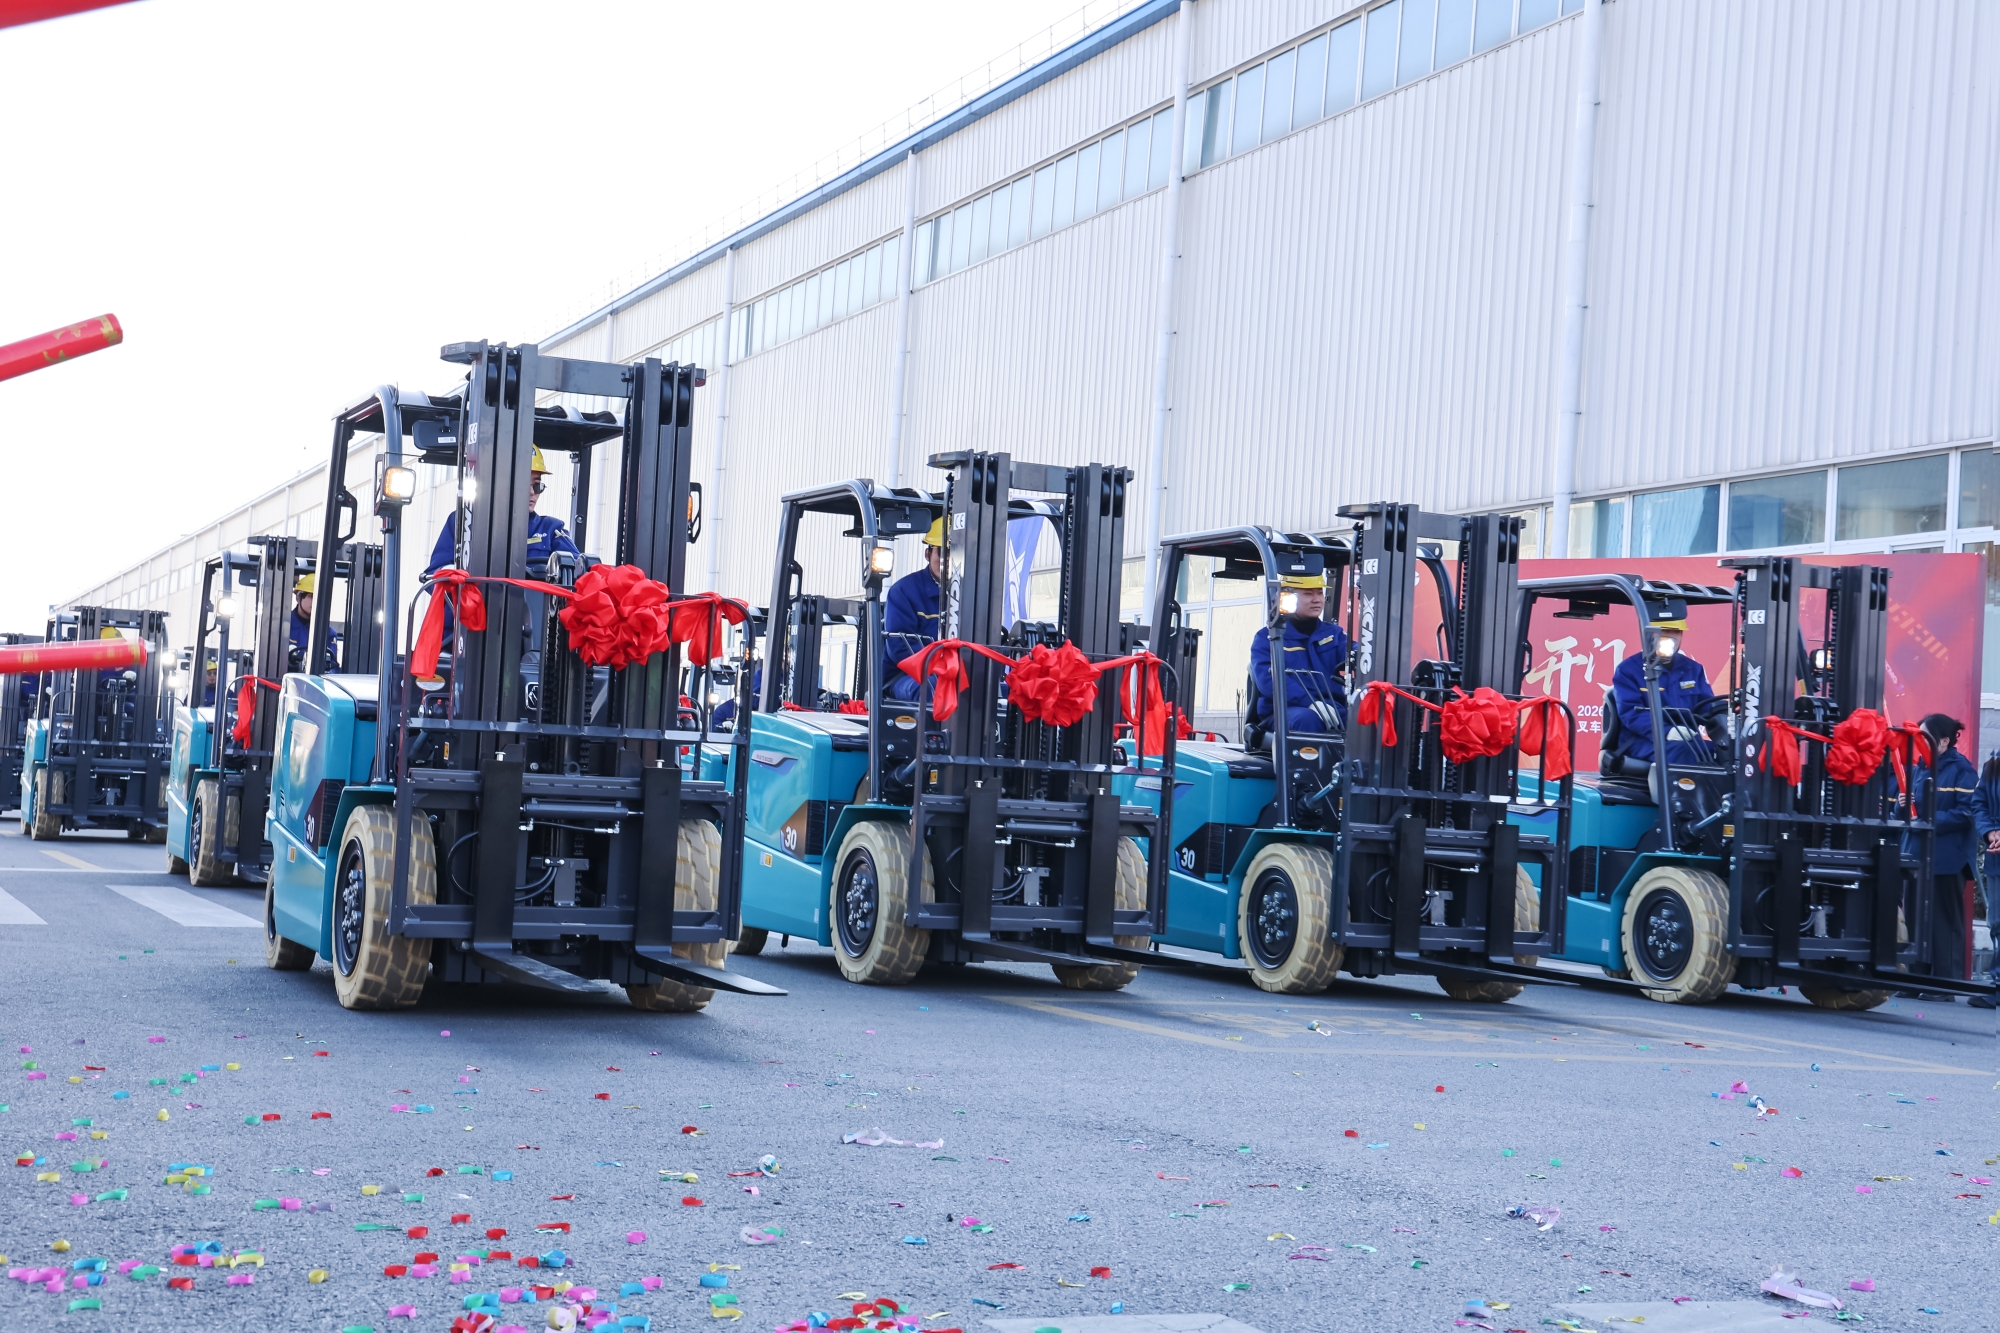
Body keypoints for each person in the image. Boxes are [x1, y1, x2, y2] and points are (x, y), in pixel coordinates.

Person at [1903, 713, 1975, 997]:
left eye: (1925, 736)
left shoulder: (1962, 770)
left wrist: (1928, 819)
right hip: (1916, 854)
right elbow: (1908, 812)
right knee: (1915, 919)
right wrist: (1902, 806)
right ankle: (1916, 979)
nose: (1919, 741)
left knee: (1944, 922)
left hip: (1947, 858)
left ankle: (1945, 984)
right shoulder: (1919, 768)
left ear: (1944, 741)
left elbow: (1967, 813)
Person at [427, 445, 579, 576]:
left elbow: (580, 571)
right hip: (477, 601)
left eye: (537, 485)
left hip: (533, 602)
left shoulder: (551, 530)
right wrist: (454, 579)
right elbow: (434, 575)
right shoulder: (464, 522)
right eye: (523, 484)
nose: (532, 492)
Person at [1610, 615, 1721, 765]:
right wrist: (1666, 731)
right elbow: (1631, 713)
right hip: (1644, 740)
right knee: (1684, 753)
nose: (1670, 636)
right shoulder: (1629, 670)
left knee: (1721, 753)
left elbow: (1707, 707)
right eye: (1663, 631)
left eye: (1675, 631)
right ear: (1649, 634)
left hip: (1687, 739)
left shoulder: (1693, 669)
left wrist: (1724, 721)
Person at [1249, 572, 1349, 736]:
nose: (1317, 599)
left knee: (1366, 717)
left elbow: (1354, 651)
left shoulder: (1334, 634)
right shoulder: (1269, 638)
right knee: (1308, 719)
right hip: (1285, 710)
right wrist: (1309, 702)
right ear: (1286, 597)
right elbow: (1269, 681)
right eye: (1308, 594)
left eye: (1319, 593)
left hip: (1331, 706)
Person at [881, 519, 944, 702]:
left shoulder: (971, 595)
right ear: (928, 553)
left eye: (955, 553)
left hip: (955, 672)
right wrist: (941, 667)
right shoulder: (904, 591)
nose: (947, 559)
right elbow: (900, 648)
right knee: (933, 688)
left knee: (1006, 691)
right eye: (942, 552)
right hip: (905, 675)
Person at [1972, 748, 2000, 1008]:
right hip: (1996, 858)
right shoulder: (1993, 763)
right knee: (1997, 923)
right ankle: (1998, 984)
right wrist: (1990, 831)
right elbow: (1978, 803)